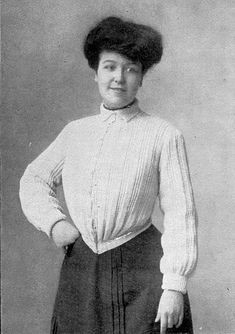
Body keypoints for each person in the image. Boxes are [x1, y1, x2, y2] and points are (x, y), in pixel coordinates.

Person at [19, 16, 197, 334]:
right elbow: (34, 178)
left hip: (143, 271)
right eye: (110, 67)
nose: (119, 78)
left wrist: (174, 286)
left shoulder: (163, 135)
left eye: (130, 69)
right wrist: (55, 223)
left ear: (141, 77)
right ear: (96, 73)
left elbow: (181, 214)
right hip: (83, 269)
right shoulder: (75, 133)